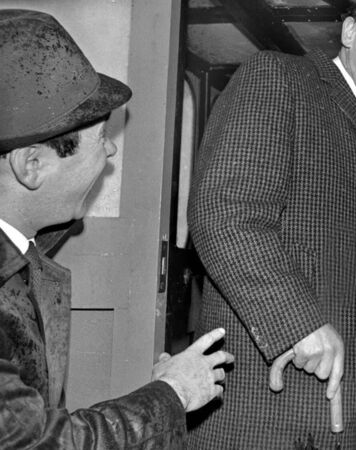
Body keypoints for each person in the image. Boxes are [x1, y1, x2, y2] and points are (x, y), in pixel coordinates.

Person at [186, 0, 356, 448]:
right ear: (349, 32)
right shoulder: (279, 78)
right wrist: (297, 323)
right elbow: (224, 211)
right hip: (279, 408)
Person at [0, 9, 234, 449]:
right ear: (32, 165)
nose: (110, 150)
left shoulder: (21, 243)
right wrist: (174, 394)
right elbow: (43, 443)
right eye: (100, 136)